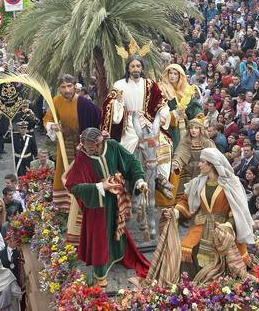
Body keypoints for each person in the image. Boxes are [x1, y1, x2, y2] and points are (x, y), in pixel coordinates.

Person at [149, 147, 255, 286]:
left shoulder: (230, 184)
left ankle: (222, 288)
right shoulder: (198, 182)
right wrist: (175, 212)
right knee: (186, 248)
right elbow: (186, 201)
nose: (199, 164)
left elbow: (236, 211)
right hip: (200, 227)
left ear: (211, 165)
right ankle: (191, 286)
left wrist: (227, 226)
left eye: (202, 162)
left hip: (222, 230)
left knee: (227, 255)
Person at [64, 127, 150, 287]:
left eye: (92, 147)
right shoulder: (82, 158)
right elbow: (73, 185)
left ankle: (117, 255)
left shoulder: (112, 146)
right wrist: (100, 186)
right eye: (86, 148)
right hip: (97, 205)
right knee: (100, 237)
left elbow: (131, 162)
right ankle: (101, 273)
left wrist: (139, 181)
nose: (89, 151)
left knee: (116, 229)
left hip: (115, 199)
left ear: (99, 143)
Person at [102, 56, 172, 201]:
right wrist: (118, 103)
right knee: (127, 145)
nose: (135, 69)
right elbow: (110, 104)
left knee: (164, 143)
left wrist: (163, 115)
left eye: (138, 66)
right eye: (133, 66)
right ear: (128, 68)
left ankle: (160, 179)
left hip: (147, 120)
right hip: (128, 122)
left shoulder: (149, 84)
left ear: (142, 68)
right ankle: (122, 181)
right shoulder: (119, 84)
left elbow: (161, 102)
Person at [43, 74, 101, 244]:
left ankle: (85, 212)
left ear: (75, 86)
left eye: (69, 86)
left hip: (83, 146)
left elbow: (98, 118)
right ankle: (70, 214)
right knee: (66, 176)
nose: (67, 90)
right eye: (63, 87)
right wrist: (52, 125)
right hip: (66, 145)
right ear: (59, 88)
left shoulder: (84, 103)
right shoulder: (56, 101)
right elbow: (48, 118)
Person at [158, 63, 203, 150]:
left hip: (184, 125)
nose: (172, 76)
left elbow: (193, 107)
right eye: (170, 73)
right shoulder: (161, 89)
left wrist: (198, 115)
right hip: (168, 126)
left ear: (180, 76)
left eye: (175, 74)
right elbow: (159, 108)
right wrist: (174, 114)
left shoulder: (186, 89)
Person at [171, 114, 216, 197]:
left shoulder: (207, 142)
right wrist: (176, 163)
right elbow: (180, 154)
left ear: (200, 129)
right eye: (191, 128)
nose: (193, 130)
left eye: (196, 128)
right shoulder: (185, 142)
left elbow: (214, 157)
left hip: (202, 171)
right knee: (186, 196)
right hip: (188, 171)